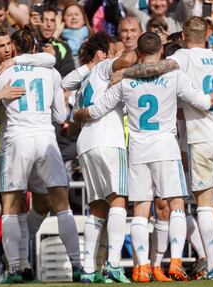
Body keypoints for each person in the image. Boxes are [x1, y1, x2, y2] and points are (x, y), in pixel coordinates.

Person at [75, 32, 213, 282]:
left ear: (139, 51)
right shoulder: (174, 74)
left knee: (140, 209)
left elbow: (98, 109)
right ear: (161, 50)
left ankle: (142, 267)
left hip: (137, 148)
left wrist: (78, 114)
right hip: (165, 146)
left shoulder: (125, 80)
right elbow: (203, 102)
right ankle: (176, 263)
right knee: (176, 204)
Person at [0, 26, 82, 283]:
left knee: (10, 206)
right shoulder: (50, 71)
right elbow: (61, 117)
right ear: (35, 48)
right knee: (61, 205)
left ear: (14, 48)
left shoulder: (0, 74)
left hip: (17, 139)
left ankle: (15, 268)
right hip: (45, 137)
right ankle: (77, 264)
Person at [62, 31, 131, 283]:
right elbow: (129, 59)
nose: (119, 56)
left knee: (97, 207)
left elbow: (71, 124)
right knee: (118, 201)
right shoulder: (103, 67)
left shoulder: (82, 84)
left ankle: (89, 269)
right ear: (102, 54)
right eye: (114, 51)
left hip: (86, 144)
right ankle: (113, 264)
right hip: (109, 141)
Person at [31, 6, 75, 77]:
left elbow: (68, 76)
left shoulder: (63, 47)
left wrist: (55, 57)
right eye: (45, 20)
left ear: (56, 24)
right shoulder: (31, 41)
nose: (48, 25)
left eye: (52, 20)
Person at [123, 0, 193, 33]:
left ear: (169, 2)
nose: (158, 3)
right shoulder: (143, 18)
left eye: (162, 0)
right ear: (149, 2)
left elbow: (186, 2)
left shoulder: (176, 18)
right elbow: (127, 5)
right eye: (154, 0)